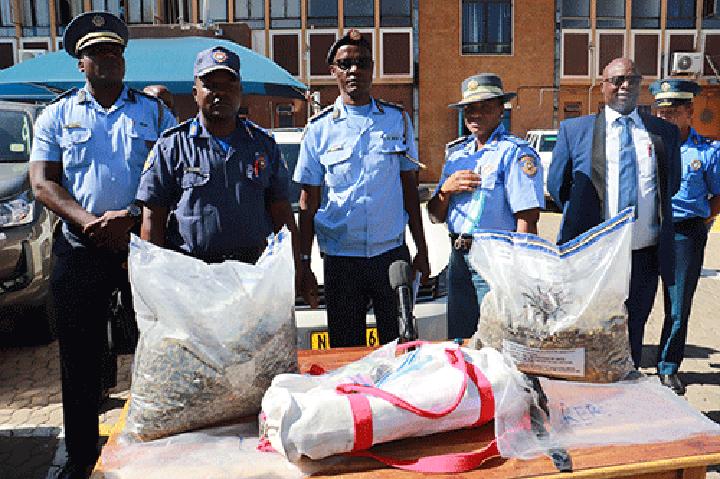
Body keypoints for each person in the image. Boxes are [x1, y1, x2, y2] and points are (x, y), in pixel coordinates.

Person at [28, 12, 176, 479]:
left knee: (156, 349)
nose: (108, 59)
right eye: (96, 52)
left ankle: (154, 447)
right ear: (81, 63)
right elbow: (42, 182)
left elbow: (172, 173)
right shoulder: (57, 115)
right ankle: (80, 454)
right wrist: (90, 222)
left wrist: (130, 215)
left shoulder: (155, 113)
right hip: (80, 245)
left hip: (140, 245)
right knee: (79, 356)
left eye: (115, 51)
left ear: (124, 60)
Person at [136, 46, 316, 306]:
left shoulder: (263, 145)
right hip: (192, 282)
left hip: (253, 280)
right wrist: (155, 284)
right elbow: (152, 221)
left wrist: (297, 268)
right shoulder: (171, 146)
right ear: (195, 92)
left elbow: (283, 216)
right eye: (211, 85)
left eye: (228, 85)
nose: (220, 93)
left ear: (240, 91)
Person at [294, 29, 430, 348]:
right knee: (345, 351)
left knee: (401, 347)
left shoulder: (397, 121)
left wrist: (422, 250)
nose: (354, 70)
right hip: (342, 260)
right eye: (345, 64)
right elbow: (308, 204)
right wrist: (304, 264)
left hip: (390, 256)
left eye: (362, 63)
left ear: (372, 69)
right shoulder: (318, 130)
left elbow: (410, 191)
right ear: (333, 71)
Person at [548, 58, 681, 369]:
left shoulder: (663, 133)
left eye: (632, 80)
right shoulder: (575, 131)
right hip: (594, 256)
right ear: (603, 85)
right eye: (617, 80)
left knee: (633, 327)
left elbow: (670, 185)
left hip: (642, 255)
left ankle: (626, 384)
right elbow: (558, 187)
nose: (625, 86)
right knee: (588, 329)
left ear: (640, 85)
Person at [428, 73, 545, 340]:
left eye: (485, 106)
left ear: (501, 109)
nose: (476, 114)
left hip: (495, 258)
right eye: (470, 108)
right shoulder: (456, 155)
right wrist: (446, 190)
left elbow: (527, 218)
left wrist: (520, 270)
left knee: (497, 338)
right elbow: (435, 215)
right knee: (460, 338)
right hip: (458, 256)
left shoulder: (515, 152)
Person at [648, 79, 720, 394]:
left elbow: (718, 194)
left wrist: (701, 221)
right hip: (648, 230)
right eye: (661, 112)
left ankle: (668, 366)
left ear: (689, 112)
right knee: (635, 299)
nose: (665, 117)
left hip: (685, 234)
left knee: (677, 306)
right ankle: (629, 360)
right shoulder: (647, 147)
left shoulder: (707, 151)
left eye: (673, 112)